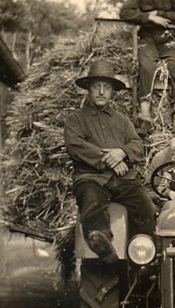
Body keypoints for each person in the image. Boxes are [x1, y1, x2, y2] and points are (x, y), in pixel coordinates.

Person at [64, 60, 156, 263]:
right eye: (96, 86)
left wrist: (122, 152)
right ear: (88, 89)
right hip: (91, 178)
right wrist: (111, 160)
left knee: (146, 207)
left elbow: (137, 145)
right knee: (91, 200)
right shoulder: (75, 120)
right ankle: (102, 244)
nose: (101, 92)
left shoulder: (122, 121)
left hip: (123, 180)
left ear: (112, 91)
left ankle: (146, 257)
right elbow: (75, 146)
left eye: (106, 87)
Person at [119, 0, 175, 135]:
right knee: (146, 65)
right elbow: (125, 12)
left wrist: (158, 13)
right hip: (147, 37)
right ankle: (145, 117)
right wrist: (149, 18)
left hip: (168, 37)